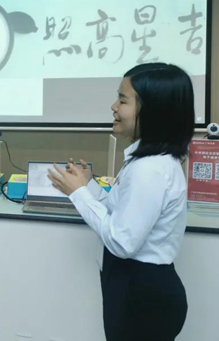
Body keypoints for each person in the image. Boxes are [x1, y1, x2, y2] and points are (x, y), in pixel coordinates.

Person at [48, 63, 193, 341]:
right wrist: (88, 186)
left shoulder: (150, 169)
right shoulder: (147, 161)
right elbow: (120, 214)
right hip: (136, 288)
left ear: (152, 110)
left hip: (142, 295)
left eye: (123, 100)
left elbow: (122, 241)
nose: (113, 107)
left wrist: (79, 194)